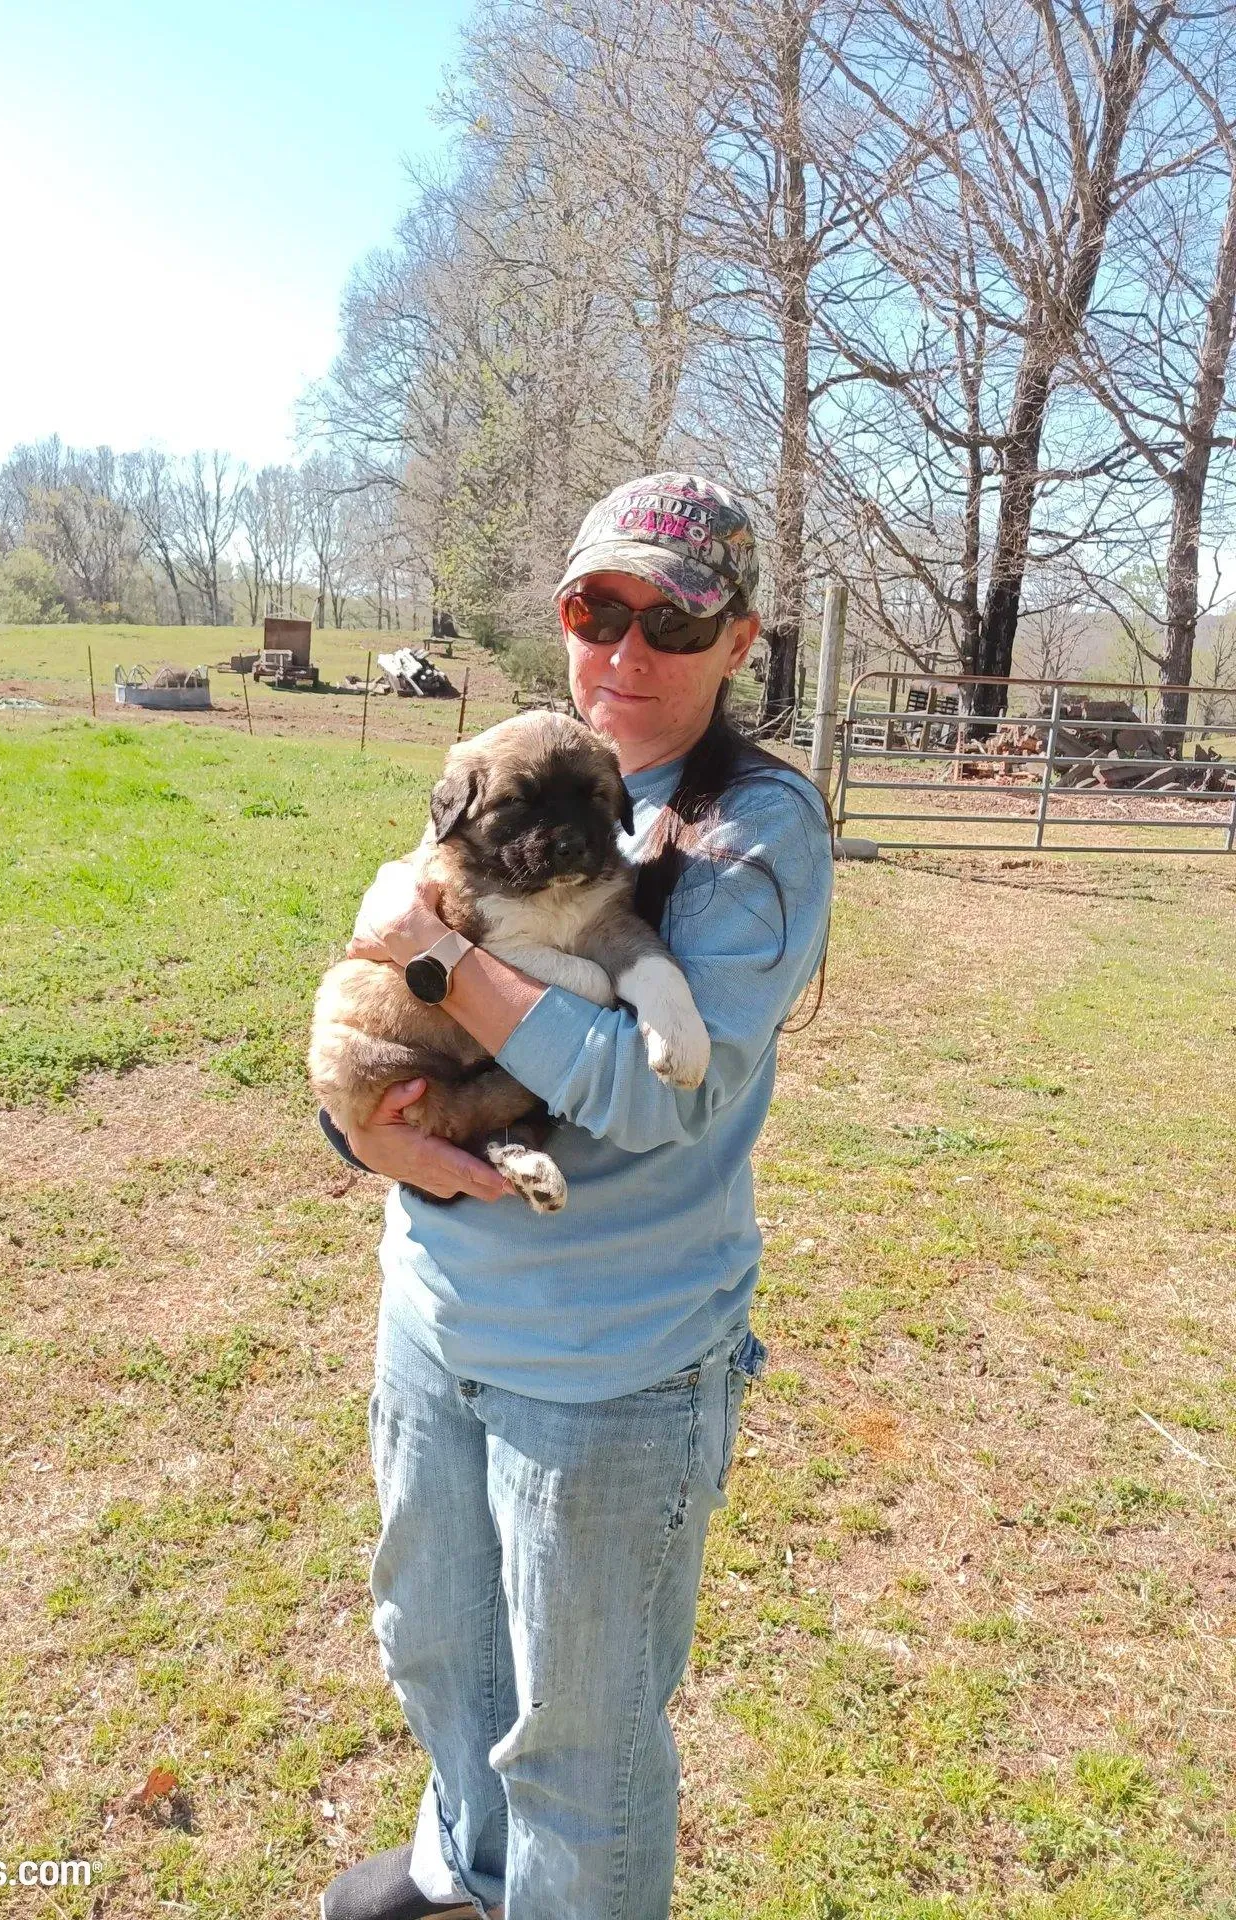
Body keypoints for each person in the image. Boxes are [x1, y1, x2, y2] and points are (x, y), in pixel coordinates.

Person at [319, 475, 834, 1920]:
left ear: (738, 640)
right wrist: (353, 1124)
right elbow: (373, 996)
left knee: (584, 1743)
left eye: (673, 618)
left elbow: (644, 1095)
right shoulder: (512, 768)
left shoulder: (753, 829)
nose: (627, 648)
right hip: (437, 1311)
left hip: (607, 1364)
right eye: (596, 608)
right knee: (437, 1644)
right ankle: (469, 1875)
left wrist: (438, 961)